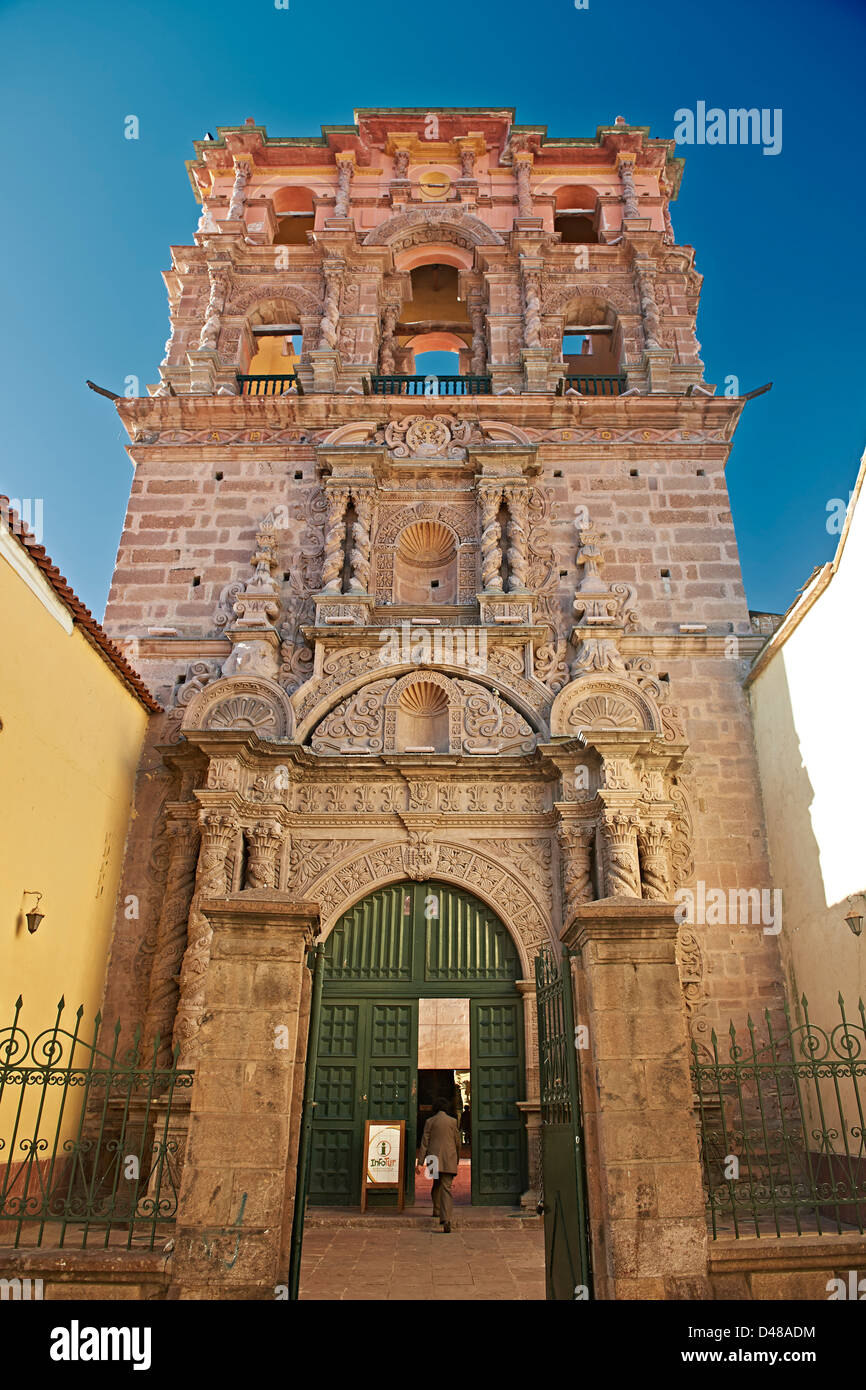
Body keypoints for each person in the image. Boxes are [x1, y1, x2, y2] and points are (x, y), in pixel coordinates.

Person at [416, 1097, 460, 1233]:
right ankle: (446, 1218)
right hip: (449, 1158)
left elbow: (424, 1142)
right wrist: (457, 1157)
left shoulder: (430, 1121)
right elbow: (457, 1141)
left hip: (433, 1158)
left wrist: (420, 1162)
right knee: (446, 1188)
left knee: (436, 1184)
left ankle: (436, 1209)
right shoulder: (453, 1122)